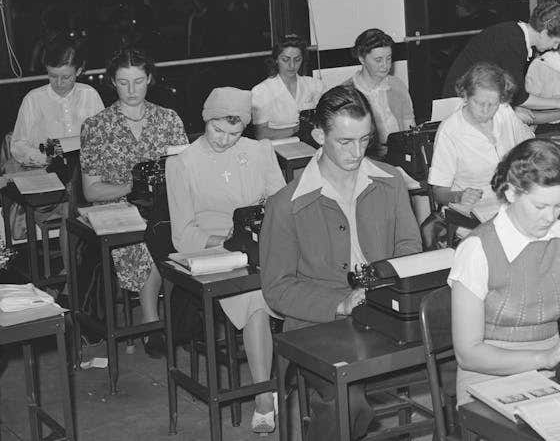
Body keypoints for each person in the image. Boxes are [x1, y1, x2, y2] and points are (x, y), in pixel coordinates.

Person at [260, 85, 420, 440]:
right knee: (346, 400)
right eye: (345, 142)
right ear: (319, 135)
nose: (357, 151)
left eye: (364, 139)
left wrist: (384, 291)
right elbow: (277, 289)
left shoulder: (390, 181)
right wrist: (340, 303)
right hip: (317, 326)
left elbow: (410, 248)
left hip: (383, 313)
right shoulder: (286, 204)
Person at [166, 87, 285, 433]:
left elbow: (280, 205)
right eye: (218, 130)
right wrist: (225, 242)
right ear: (206, 119)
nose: (224, 140)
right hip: (214, 251)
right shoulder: (182, 163)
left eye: (235, 134)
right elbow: (183, 234)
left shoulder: (259, 151)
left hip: (261, 243)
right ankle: (264, 395)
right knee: (256, 300)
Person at [448, 138, 560, 403]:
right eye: (540, 206)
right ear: (512, 193)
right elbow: (468, 354)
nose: (550, 217)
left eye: (558, 205)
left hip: (555, 369)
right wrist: (544, 358)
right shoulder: (477, 249)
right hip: (488, 379)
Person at [80, 48, 188, 358]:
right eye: (124, 82)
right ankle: (151, 320)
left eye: (138, 81)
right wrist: (133, 185)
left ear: (149, 80)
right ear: (112, 82)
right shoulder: (97, 125)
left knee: (178, 227)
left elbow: (186, 172)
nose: (131, 90)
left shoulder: (168, 118)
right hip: (120, 207)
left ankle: (186, 317)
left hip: (165, 203)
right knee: (151, 238)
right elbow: (91, 191)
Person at [441, 1, 560, 119]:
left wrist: (514, 108)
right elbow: (519, 96)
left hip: (476, 98)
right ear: (544, 33)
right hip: (462, 105)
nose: (555, 46)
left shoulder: (513, 31)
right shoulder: (513, 43)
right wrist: (559, 102)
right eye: (557, 41)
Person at [428, 63, 534, 221]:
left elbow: (530, 146)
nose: (485, 110)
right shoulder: (450, 131)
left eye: (492, 104)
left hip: (512, 201)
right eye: (478, 103)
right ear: (465, 96)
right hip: (474, 211)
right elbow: (438, 192)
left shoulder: (504, 112)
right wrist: (459, 196)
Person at [10, 35, 104, 169]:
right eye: (53, 76)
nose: (59, 83)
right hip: (44, 170)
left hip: (86, 171)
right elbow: (18, 146)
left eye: (66, 77)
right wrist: (44, 158)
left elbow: (103, 138)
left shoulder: (90, 95)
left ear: (79, 71)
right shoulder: (33, 99)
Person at [342, 28, 415, 151]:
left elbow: (409, 126)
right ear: (362, 59)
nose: (385, 65)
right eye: (378, 60)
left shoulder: (397, 85)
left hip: (399, 152)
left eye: (389, 58)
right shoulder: (348, 92)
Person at [251, 35, 323, 140]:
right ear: (276, 59)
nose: (292, 65)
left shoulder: (315, 85)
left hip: (311, 140)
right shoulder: (261, 91)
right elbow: (261, 133)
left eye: (297, 59)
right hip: (277, 145)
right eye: (285, 60)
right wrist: (298, 129)